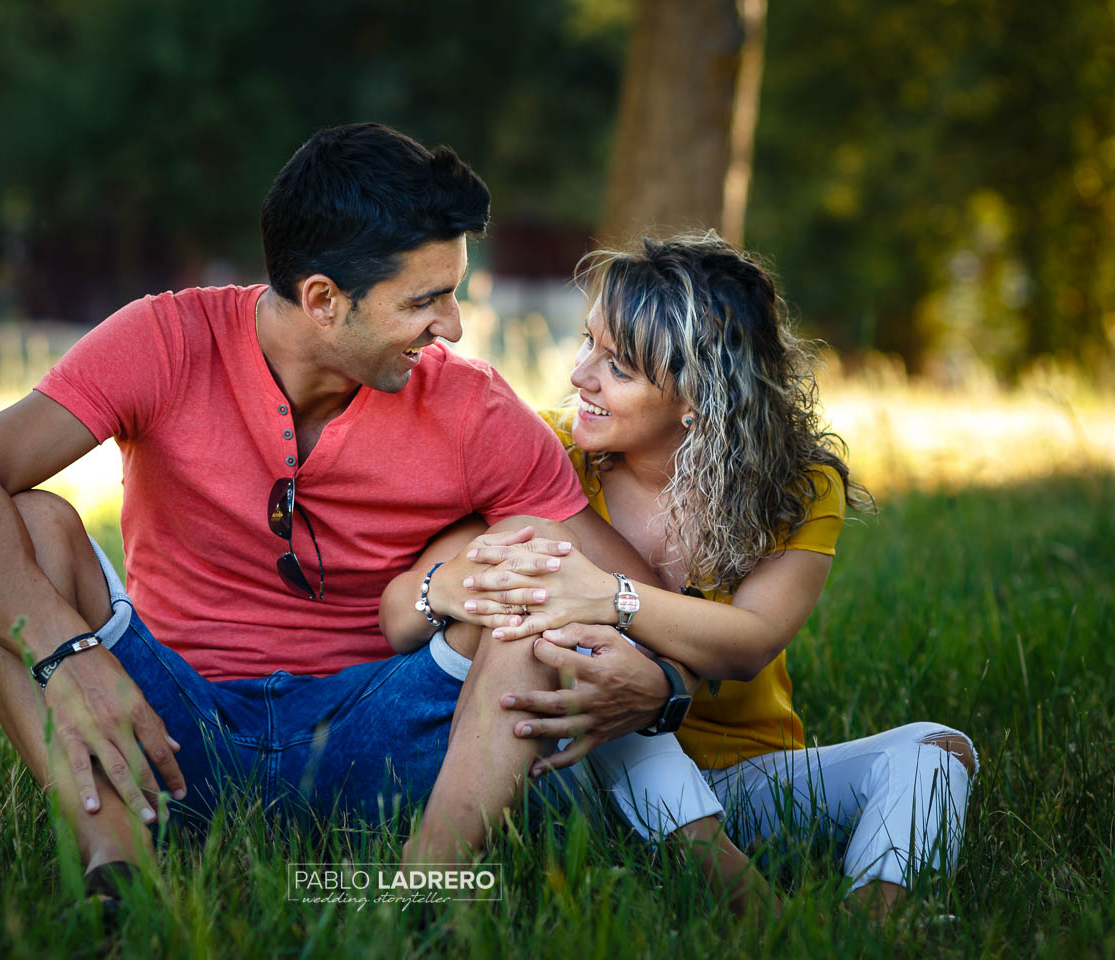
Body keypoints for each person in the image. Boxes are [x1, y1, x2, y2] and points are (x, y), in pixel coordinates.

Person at [0, 122, 664, 911]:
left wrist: (661, 679)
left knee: (526, 564)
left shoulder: (475, 409)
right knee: (23, 526)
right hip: (166, 730)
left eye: (453, 292)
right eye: (425, 300)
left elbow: (627, 589)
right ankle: (120, 877)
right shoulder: (164, 341)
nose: (452, 327)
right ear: (324, 300)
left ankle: (426, 892)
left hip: (384, 741)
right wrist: (67, 655)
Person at [392, 233, 977, 918]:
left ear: (697, 395)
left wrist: (612, 598)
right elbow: (403, 605)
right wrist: (457, 588)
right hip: (588, 774)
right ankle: (760, 916)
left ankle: (868, 928)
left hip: (750, 779)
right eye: (588, 343)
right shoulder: (545, 455)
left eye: (618, 367)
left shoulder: (795, 485)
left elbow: (752, 639)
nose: (581, 375)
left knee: (937, 752)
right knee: (583, 653)